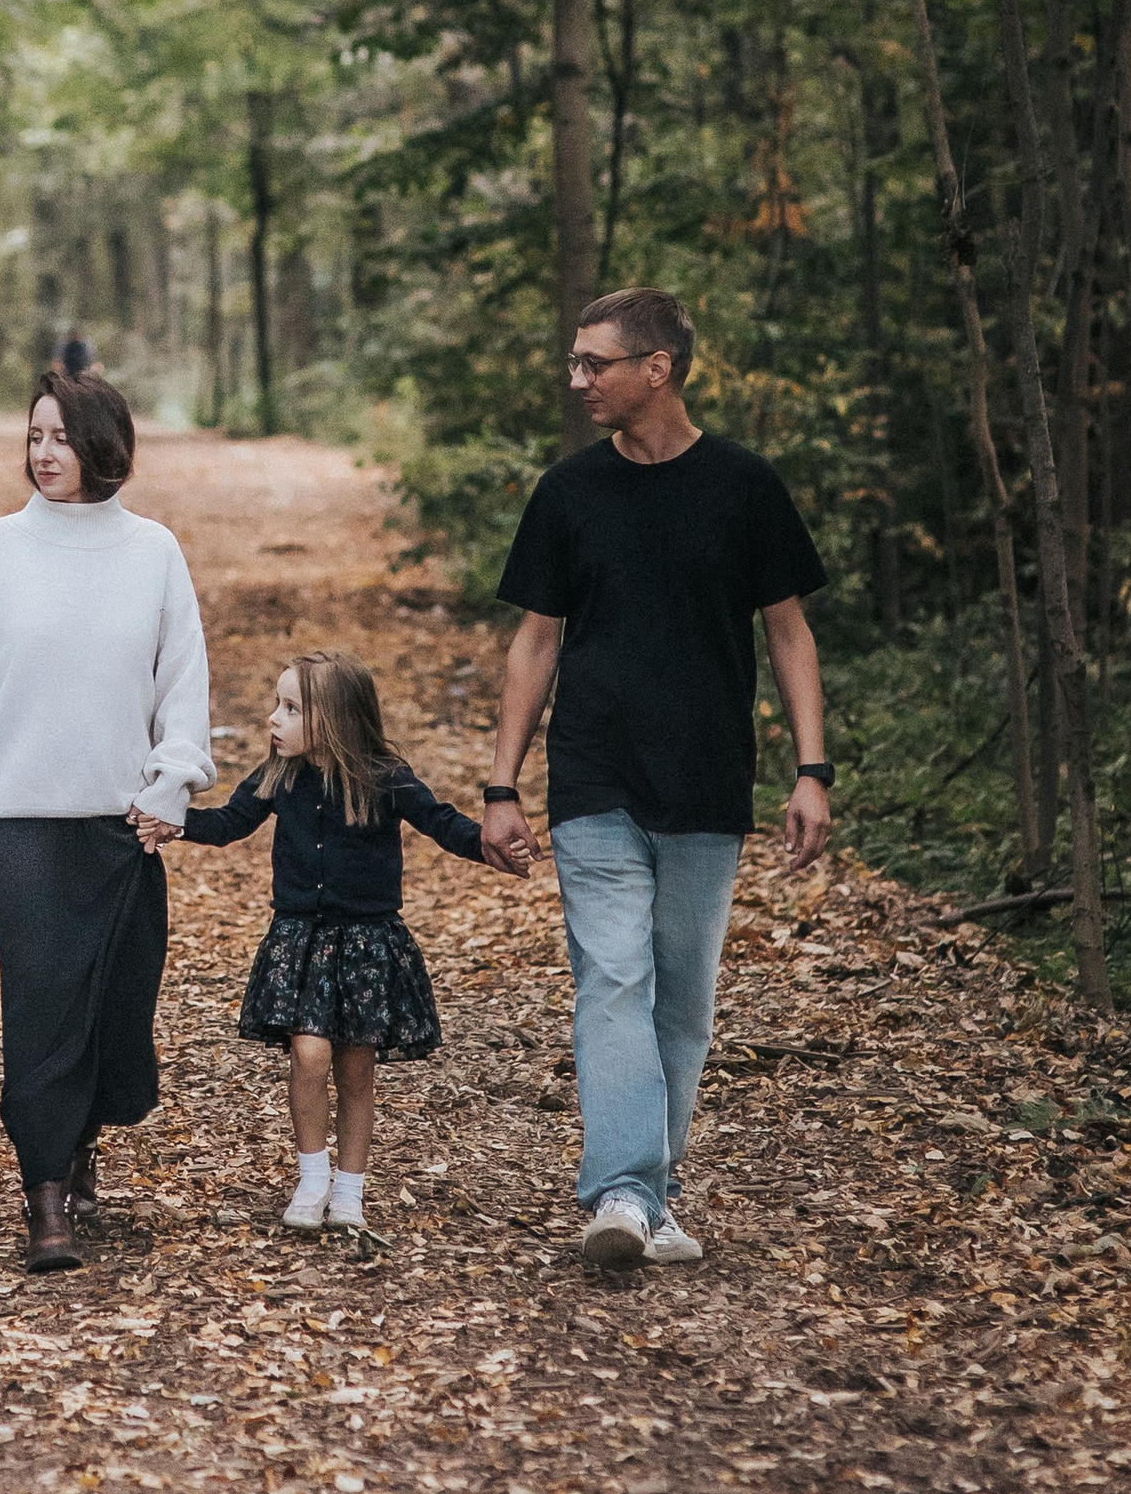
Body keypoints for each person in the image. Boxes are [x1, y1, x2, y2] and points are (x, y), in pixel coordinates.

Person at [489, 287, 831, 1276]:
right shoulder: (567, 493)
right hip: (593, 775)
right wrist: (501, 785)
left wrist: (811, 772)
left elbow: (789, 634)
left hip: (706, 780)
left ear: (658, 369)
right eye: (574, 362)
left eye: (594, 363)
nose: (578, 380)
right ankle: (626, 1192)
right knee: (613, 977)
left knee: (680, 998)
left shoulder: (742, 486)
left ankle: (649, 1193)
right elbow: (534, 642)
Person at [0, 367, 212, 1273]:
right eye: (34, 437)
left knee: (118, 1000)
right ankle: (45, 1193)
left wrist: (172, 781)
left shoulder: (153, 551)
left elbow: (181, 681)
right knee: (41, 1001)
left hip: (120, 822)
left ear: (102, 446)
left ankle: (82, 1142)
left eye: (62, 438)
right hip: (20, 823)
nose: (45, 453)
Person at [184, 650, 530, 1230]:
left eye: (290, 708)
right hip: (301, 939)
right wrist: (170, 821)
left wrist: (490, 846)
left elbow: (442, 822)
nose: (273, 718)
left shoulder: (384, 778)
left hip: (367, 944)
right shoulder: (277, 776)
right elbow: (225, 825)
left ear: (336, 719)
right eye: (277, 704)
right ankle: (312, 1175)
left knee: (356, 1071)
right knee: (309, 1053)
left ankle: (349, 1190)